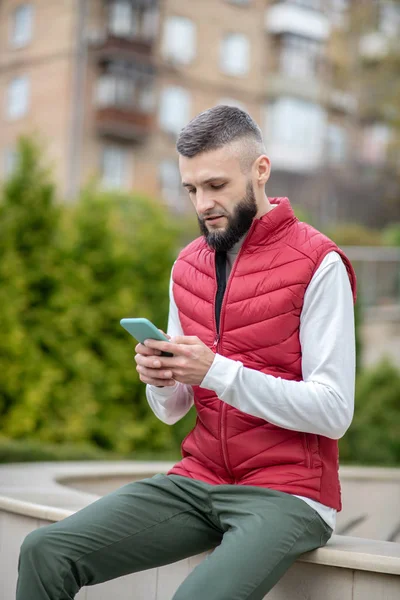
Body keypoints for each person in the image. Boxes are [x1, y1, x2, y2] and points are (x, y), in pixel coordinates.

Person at [17, 106, 357, 600]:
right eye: (191, 189)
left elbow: (334, 411)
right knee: (45, 550)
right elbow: (174, 410)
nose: (203, 204)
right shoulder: (188, 265)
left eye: (216, 185)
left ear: (260, 171)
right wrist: (162, 379)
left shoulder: (318, 263)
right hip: (199, 480)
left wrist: (217, 371)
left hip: (288, 493)